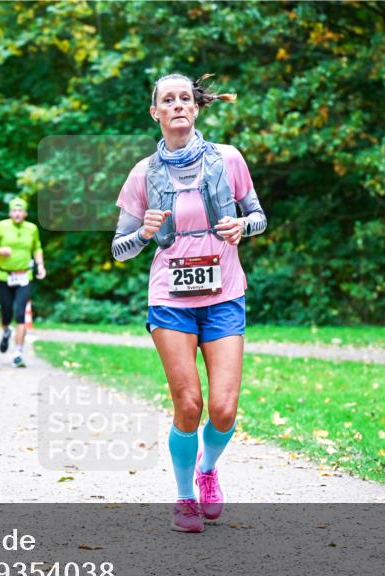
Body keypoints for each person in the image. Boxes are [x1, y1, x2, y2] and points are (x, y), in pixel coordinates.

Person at [111, 73, 266, 533]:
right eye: (168, 100)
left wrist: (243, 227)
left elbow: (258, 216)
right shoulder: (143, 174)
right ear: (155, 112)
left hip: (224, 296)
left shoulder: (228, 158)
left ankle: (207, 470)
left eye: (185, 98)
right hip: (170, 301)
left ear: (196, 108)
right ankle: (183, 497)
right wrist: (143, 233)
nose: (177, 105)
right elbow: (119, 249)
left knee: (224, 409)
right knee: (188, 404)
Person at [0, 198, 45, 368]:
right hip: (4, 277)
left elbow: (37, 248)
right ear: (10, 213)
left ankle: (18, 353)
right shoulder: (2, 226)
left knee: (20, 314)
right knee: (6, 313)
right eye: (14, 211)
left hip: (24, 277)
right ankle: (6, 331)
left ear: (25, 213)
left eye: (20, 211)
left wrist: (40, 265)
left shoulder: (31, 229)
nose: (17, 213)